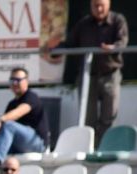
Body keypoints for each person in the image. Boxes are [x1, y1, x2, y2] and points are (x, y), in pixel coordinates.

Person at [53, 0, 128, 146]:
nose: (99, 9)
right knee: (88, 117)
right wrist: (56, 50)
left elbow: (122, 42)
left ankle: (105, 148)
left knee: (109, 116)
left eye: (102, 5)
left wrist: (112, 48)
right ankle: (90, 149)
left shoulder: (118, 20)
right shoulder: (84, 24)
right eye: (95, 5)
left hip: (110, 74)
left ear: (109, 4)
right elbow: (70, 42)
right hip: (89, 75)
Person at [0, 67, 48, 168]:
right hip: (17, 144)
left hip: (36, 143)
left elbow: (19, 111)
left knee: (9, 125)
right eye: (12, 80)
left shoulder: (31, 97)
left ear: (26, 81)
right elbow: (0, 132)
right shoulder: (11, 104)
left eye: (18, 80)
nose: (15, 83)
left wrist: (0, 120)